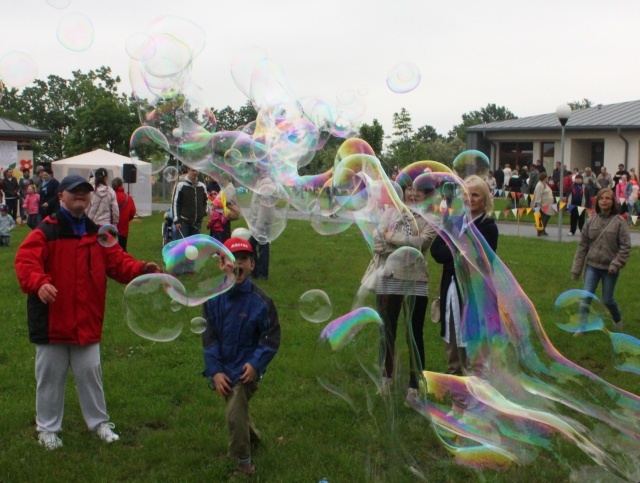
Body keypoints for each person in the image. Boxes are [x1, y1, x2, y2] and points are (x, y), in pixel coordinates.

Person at [14, 175, 160, 451]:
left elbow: (118, 263)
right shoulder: (45, 231)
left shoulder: (99, 234)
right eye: (74, 191)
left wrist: (141, 269)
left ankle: (99, 423)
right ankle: (47, 429)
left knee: (91, 373)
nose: (80, 195)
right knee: (50, 377)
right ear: (61, 196)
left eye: (85, 192)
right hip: (52, 321)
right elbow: (25, 262)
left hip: (86, 320)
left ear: (91, 197)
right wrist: (40, 283)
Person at [202, 237, 281, 478]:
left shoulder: (262, 302)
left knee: (234, 414)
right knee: (237, 410)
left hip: (246, 370)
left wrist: (256, 364)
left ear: (252, 265)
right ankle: (253, 440)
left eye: (243, 259)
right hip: (223, 369)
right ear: (221, 264)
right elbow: (209, 338)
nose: (237, 264)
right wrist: (215, 371)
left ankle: (244, 464)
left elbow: (270, 338)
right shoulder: (212, 300)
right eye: (231, 259)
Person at [370, 181, 437, 401]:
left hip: (416, 279)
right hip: (389, 277)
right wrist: (399, 242)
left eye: (419, 191)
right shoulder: (391, 213)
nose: (413, 194)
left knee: (414, 334)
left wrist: (391, 238)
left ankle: (414, 386)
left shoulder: (431, 219)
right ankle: (386, 378)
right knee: (387, 330)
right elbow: (377, 244)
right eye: (409, 189)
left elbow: (420, 244)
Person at [431, 175, 499, 379]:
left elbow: (478, 260)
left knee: (474, 355)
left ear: (485, 199)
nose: (470, 199)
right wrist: (457, 251)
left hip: (474, 296)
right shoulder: (454, 221)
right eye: (467, 194)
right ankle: (457, 403)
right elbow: (436, 251)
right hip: (451, 292)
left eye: (476, 195)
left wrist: (453, 249)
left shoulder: (487, 227)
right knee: (452, 353)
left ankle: (476, 402)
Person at [571, 188, 630, 331]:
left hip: (610, 269)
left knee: (608, 299)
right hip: (592, 266)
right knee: (586, 297)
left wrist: (616, 264)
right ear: (597, 201)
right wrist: (576, 270)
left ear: (613, 202)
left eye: (608, 198)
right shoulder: (591, 220)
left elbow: (625, 247)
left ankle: (617, 319)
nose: (604, 201)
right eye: (601, 198)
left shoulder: (619, 223)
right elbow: (583, 246)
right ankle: (582, 327)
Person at [171, 167, 207, 239]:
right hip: (184, 222)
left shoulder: (202, 186)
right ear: (188, 170)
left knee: (195, 246)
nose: (195, 173)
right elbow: (175, 202)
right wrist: (177, 220)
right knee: (183, 245)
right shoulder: (180, 185)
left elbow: (205, 201)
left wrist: (203, 212)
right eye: (193, 170)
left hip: (197, 223)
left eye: (196, 171)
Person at [112, 177, 137, 252]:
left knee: (111, 247)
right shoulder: (128, 198)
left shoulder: (110, 196)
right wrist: (127, 219)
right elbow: (132, 211)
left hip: (111, 225)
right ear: (121, 185)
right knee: (122, 248)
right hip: (123, 225)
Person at [532, 172, 554, 237]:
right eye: (546, 177)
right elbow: (538, 194)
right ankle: (540, 232)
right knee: (541, 219)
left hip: (548, 205)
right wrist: (537, 204)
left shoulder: (545, 184)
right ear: (544, 178)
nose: (547, 178)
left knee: (547, 217)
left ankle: (543, 230)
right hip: (542, 205)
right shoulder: (539, 185)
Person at [220, 172, 238, 241]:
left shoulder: (230, 188)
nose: (221, 181)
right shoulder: (226, 187)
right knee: (224, 228)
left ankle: (227, 242)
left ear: (226, 179)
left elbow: (228, 199)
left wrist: (219, 199)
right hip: (224, 211)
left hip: (227, 211)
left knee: (226, 229)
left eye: (222, 179)